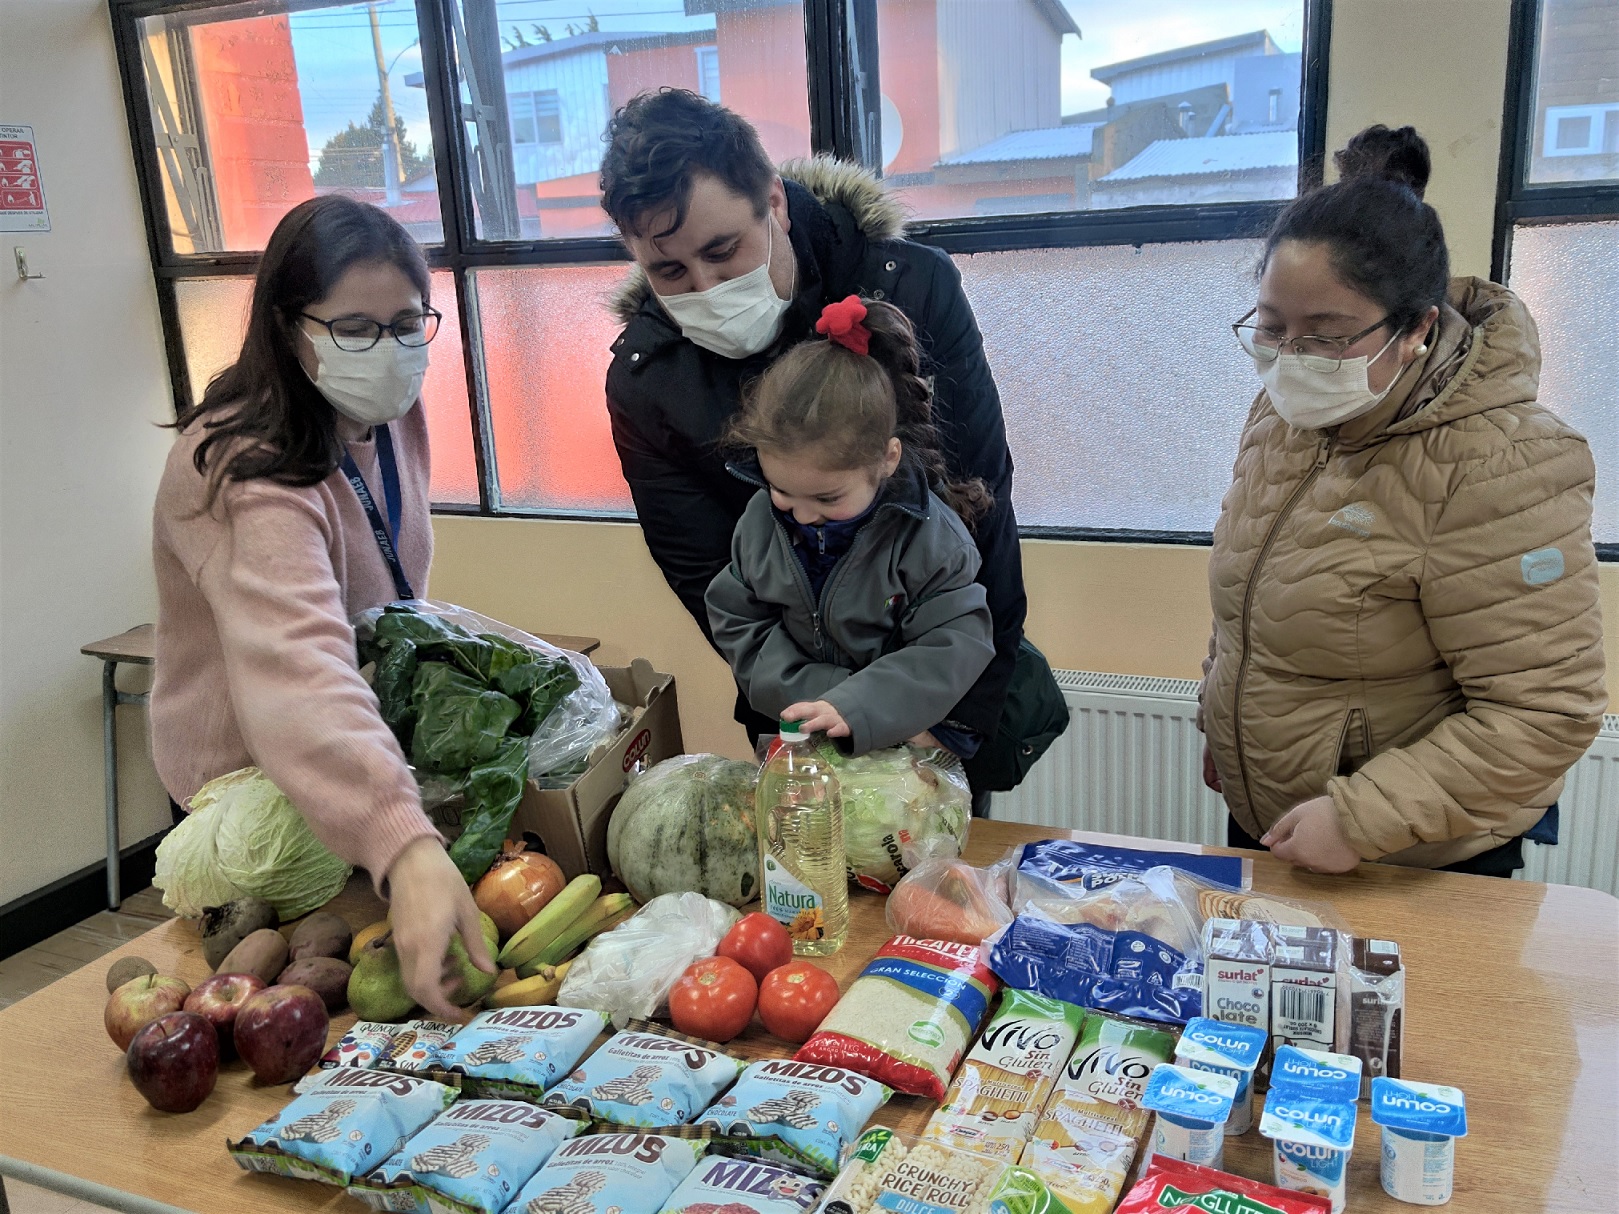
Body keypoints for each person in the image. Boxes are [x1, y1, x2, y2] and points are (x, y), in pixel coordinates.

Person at [599, 89, 1044, 791]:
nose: (707, 286)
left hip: (939, 699)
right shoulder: (646, 380)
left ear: (773, 200)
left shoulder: (910, 286)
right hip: (797, 713)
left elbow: (980, 508)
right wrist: (829, 709)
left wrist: (931, 720)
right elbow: (711, 584)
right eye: (670, 271)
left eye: (723, 250)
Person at [1199, 125, 1607, 876]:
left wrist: (1361, 819)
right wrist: (1218, 720)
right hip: (1276, 820)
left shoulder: (1500, 462)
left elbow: (1543, 711)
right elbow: (1248, 595)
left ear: (1417, 327)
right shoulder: (1281, 417)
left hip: (1410, 857)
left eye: (1325, 337)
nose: (1288, 359)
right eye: (1270, 327)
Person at [150, 195, 493, 1017]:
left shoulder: (386, 415)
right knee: (283, 1009)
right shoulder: (243, 461)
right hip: (250, 796)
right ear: (286, 324)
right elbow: (298, 662)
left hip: (346, 771)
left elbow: (385, 600)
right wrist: (403, 846)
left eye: (408, 323)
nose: (389, 351)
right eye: (355, 329)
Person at [706, 296, 997, 756]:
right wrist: (822, 695)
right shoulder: (760, 521)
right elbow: (738, 621)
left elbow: (953, 644)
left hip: (904, 741)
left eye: (826, 498)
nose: (800, 514)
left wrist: (860, 705)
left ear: (887, 459)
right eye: (781, 489)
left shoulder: (931, 541)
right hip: (800, 730)